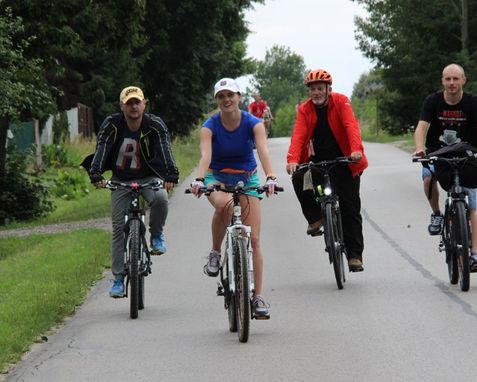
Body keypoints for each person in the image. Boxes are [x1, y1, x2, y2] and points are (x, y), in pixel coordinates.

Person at [190, 78, 279, 318]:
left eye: (230, 95)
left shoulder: (254, 123)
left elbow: (263, 151)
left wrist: (271, 176)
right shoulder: (209, 126)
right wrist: (199, 179)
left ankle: (257, 297)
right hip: (216, 177)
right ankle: (215, 252)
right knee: (224, 204)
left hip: (247, 178)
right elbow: (206, 156)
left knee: (254, 239)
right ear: (217, 100)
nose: (226, 100)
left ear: (239, 97)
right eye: (221, 96)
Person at [82, 86, 179, 297]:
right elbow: (102, 147)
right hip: (121, 180)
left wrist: (171, 174)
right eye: (129, 103)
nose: (134, 107)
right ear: (122, 106)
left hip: (149, 177)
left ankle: (156, 235)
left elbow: (165, 147)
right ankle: (118, 279)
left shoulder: (154, 124)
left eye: (137, 102)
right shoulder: (112, 124)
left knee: (161, 198)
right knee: (118, 227)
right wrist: (96, 173)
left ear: (144, 104)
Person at [413, 63, 477, 272]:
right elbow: (421, 128)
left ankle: (474, 253)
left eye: (455, 79)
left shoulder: (473, 102)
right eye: (448, 79)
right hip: (438, 151)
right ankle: (437, 214)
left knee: (471, 205)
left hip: (465, 152)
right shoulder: (432, 101)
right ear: (442, 81)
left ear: (463, 80)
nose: (451, 83)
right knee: (428, 177)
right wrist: (419, 148)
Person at [286, 69, 368, 272]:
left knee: (350, 208)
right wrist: (293, 159)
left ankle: (354, 256)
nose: (316, 92)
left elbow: (351, 126)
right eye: (313, 89)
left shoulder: (341, 101)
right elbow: (298, 135)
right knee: (299, 177)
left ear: (328, 89)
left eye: (320, 88)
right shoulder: (305, 109)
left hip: (346, 160)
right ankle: (315, 218)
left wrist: (356, 150)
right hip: (319, 161)